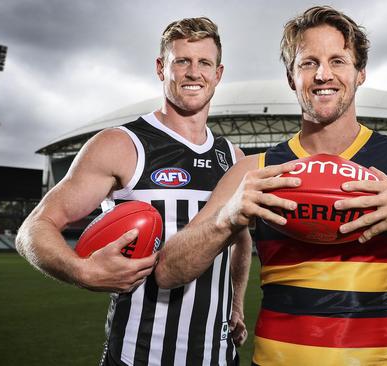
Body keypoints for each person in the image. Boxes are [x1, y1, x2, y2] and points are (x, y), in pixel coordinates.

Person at [153, 6, 387, 366]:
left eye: (338, 61)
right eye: (308, 63)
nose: (323, 74)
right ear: (292, 77)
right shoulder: (256, 171)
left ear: (360, 74)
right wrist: (226, 218)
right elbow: (169, 271)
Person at [15, 17, 251, 366]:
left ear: (218, 74)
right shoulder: (122, 145)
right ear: (161, 68)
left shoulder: (233, 157)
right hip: (138, 355)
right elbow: (34, 228)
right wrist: (81, 271)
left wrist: (236, 302)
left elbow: (240, 237)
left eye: (204, 63)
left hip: (217, 356)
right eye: (181, 61)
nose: (193, 72)